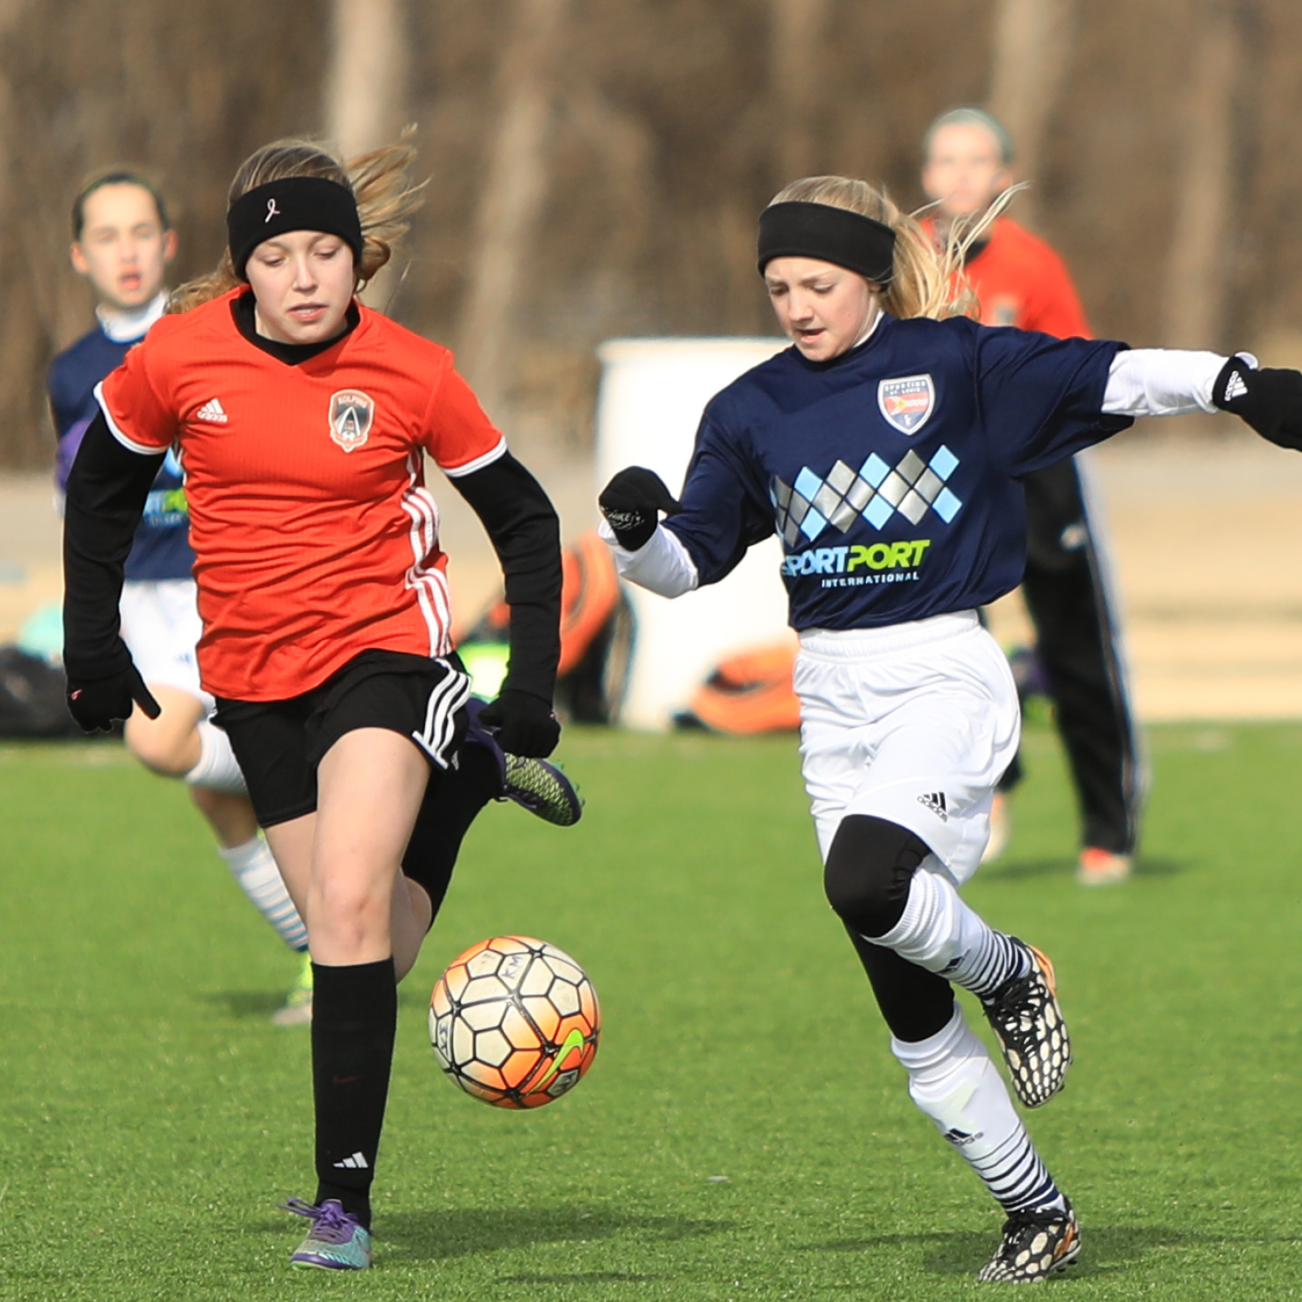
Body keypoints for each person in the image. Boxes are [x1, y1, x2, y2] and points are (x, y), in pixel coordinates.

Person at [597, 174, 1301, 1281]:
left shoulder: (959, 366)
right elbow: (686, 565)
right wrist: (635, 534)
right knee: (908, 1001)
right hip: (831, 693)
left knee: (864, 885)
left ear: (872, 277)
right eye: (778, 287)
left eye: (817, 283)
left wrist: (1237, 384)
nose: (796, 306)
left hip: (943, 670)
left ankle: (1015, 970)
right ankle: (1038, 1214)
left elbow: (1109, 369)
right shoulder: (747, 409)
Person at [61, 136, 573, 1272]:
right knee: (371, 946)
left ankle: (345, 1205)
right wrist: (91, 643)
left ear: (358, 262)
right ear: (245, 268)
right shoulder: (178, 359)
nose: (304, 276)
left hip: (384, 660)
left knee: (345, 908)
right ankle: (470, 785)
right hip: (252, 683)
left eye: (327, 252)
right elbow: (101, 486)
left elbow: (529, 523)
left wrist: (529, 679)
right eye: (281, 254)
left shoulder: (413, 370)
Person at [49, 170, 313, 1021]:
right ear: (79, 255)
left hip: (226, 584)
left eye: (139, 233)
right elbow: (84, 500)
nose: (124, 251)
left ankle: (333, 930)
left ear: (166, 245)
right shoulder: (69, 377)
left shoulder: (212, 332)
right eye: (106, 236)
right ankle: (328, 943)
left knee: (173, 751)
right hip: (139, 604)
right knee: (202, 781)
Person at [921, 107, 1141, 885]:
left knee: (1075, 647)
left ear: (1004, 178)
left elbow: (1080, 373)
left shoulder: (1032, 265)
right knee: (944, 647)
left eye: (976, 162)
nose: (960, 177)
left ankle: (1108, 831)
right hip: (943, 477)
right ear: (925, 179)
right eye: (946, 162)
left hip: (1038, 471)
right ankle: (988, 792)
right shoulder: (905, 264)